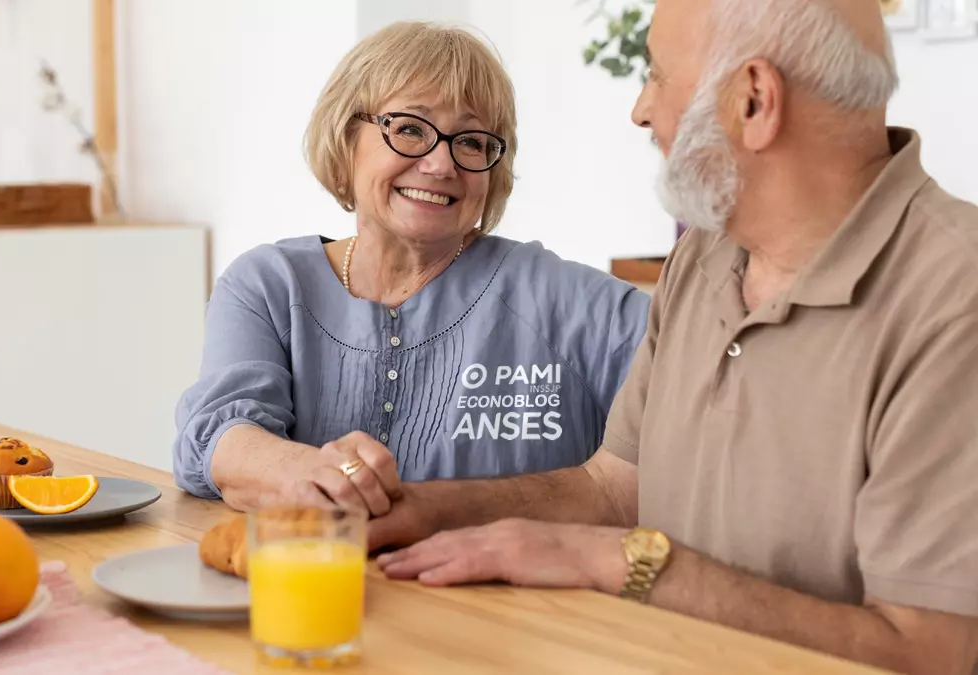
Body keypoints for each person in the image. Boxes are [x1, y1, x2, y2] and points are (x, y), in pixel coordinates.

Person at [367, 1, 978, 673]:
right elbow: (613, 489)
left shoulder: (956, 298)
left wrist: (619, 561)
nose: (640, 109)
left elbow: (932, 651)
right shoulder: (704, 257)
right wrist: (420, 509)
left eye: (656, 75)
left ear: (753, 99)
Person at [171, 21, 650, 516]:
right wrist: (317, 475)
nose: (441, 164)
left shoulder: (565, 299)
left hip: (516, 595)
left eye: (470, 141)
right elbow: (219, 438)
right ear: (345, 140)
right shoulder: (269, 286)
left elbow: (707, 391)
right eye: (409, 129)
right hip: (315, 589)